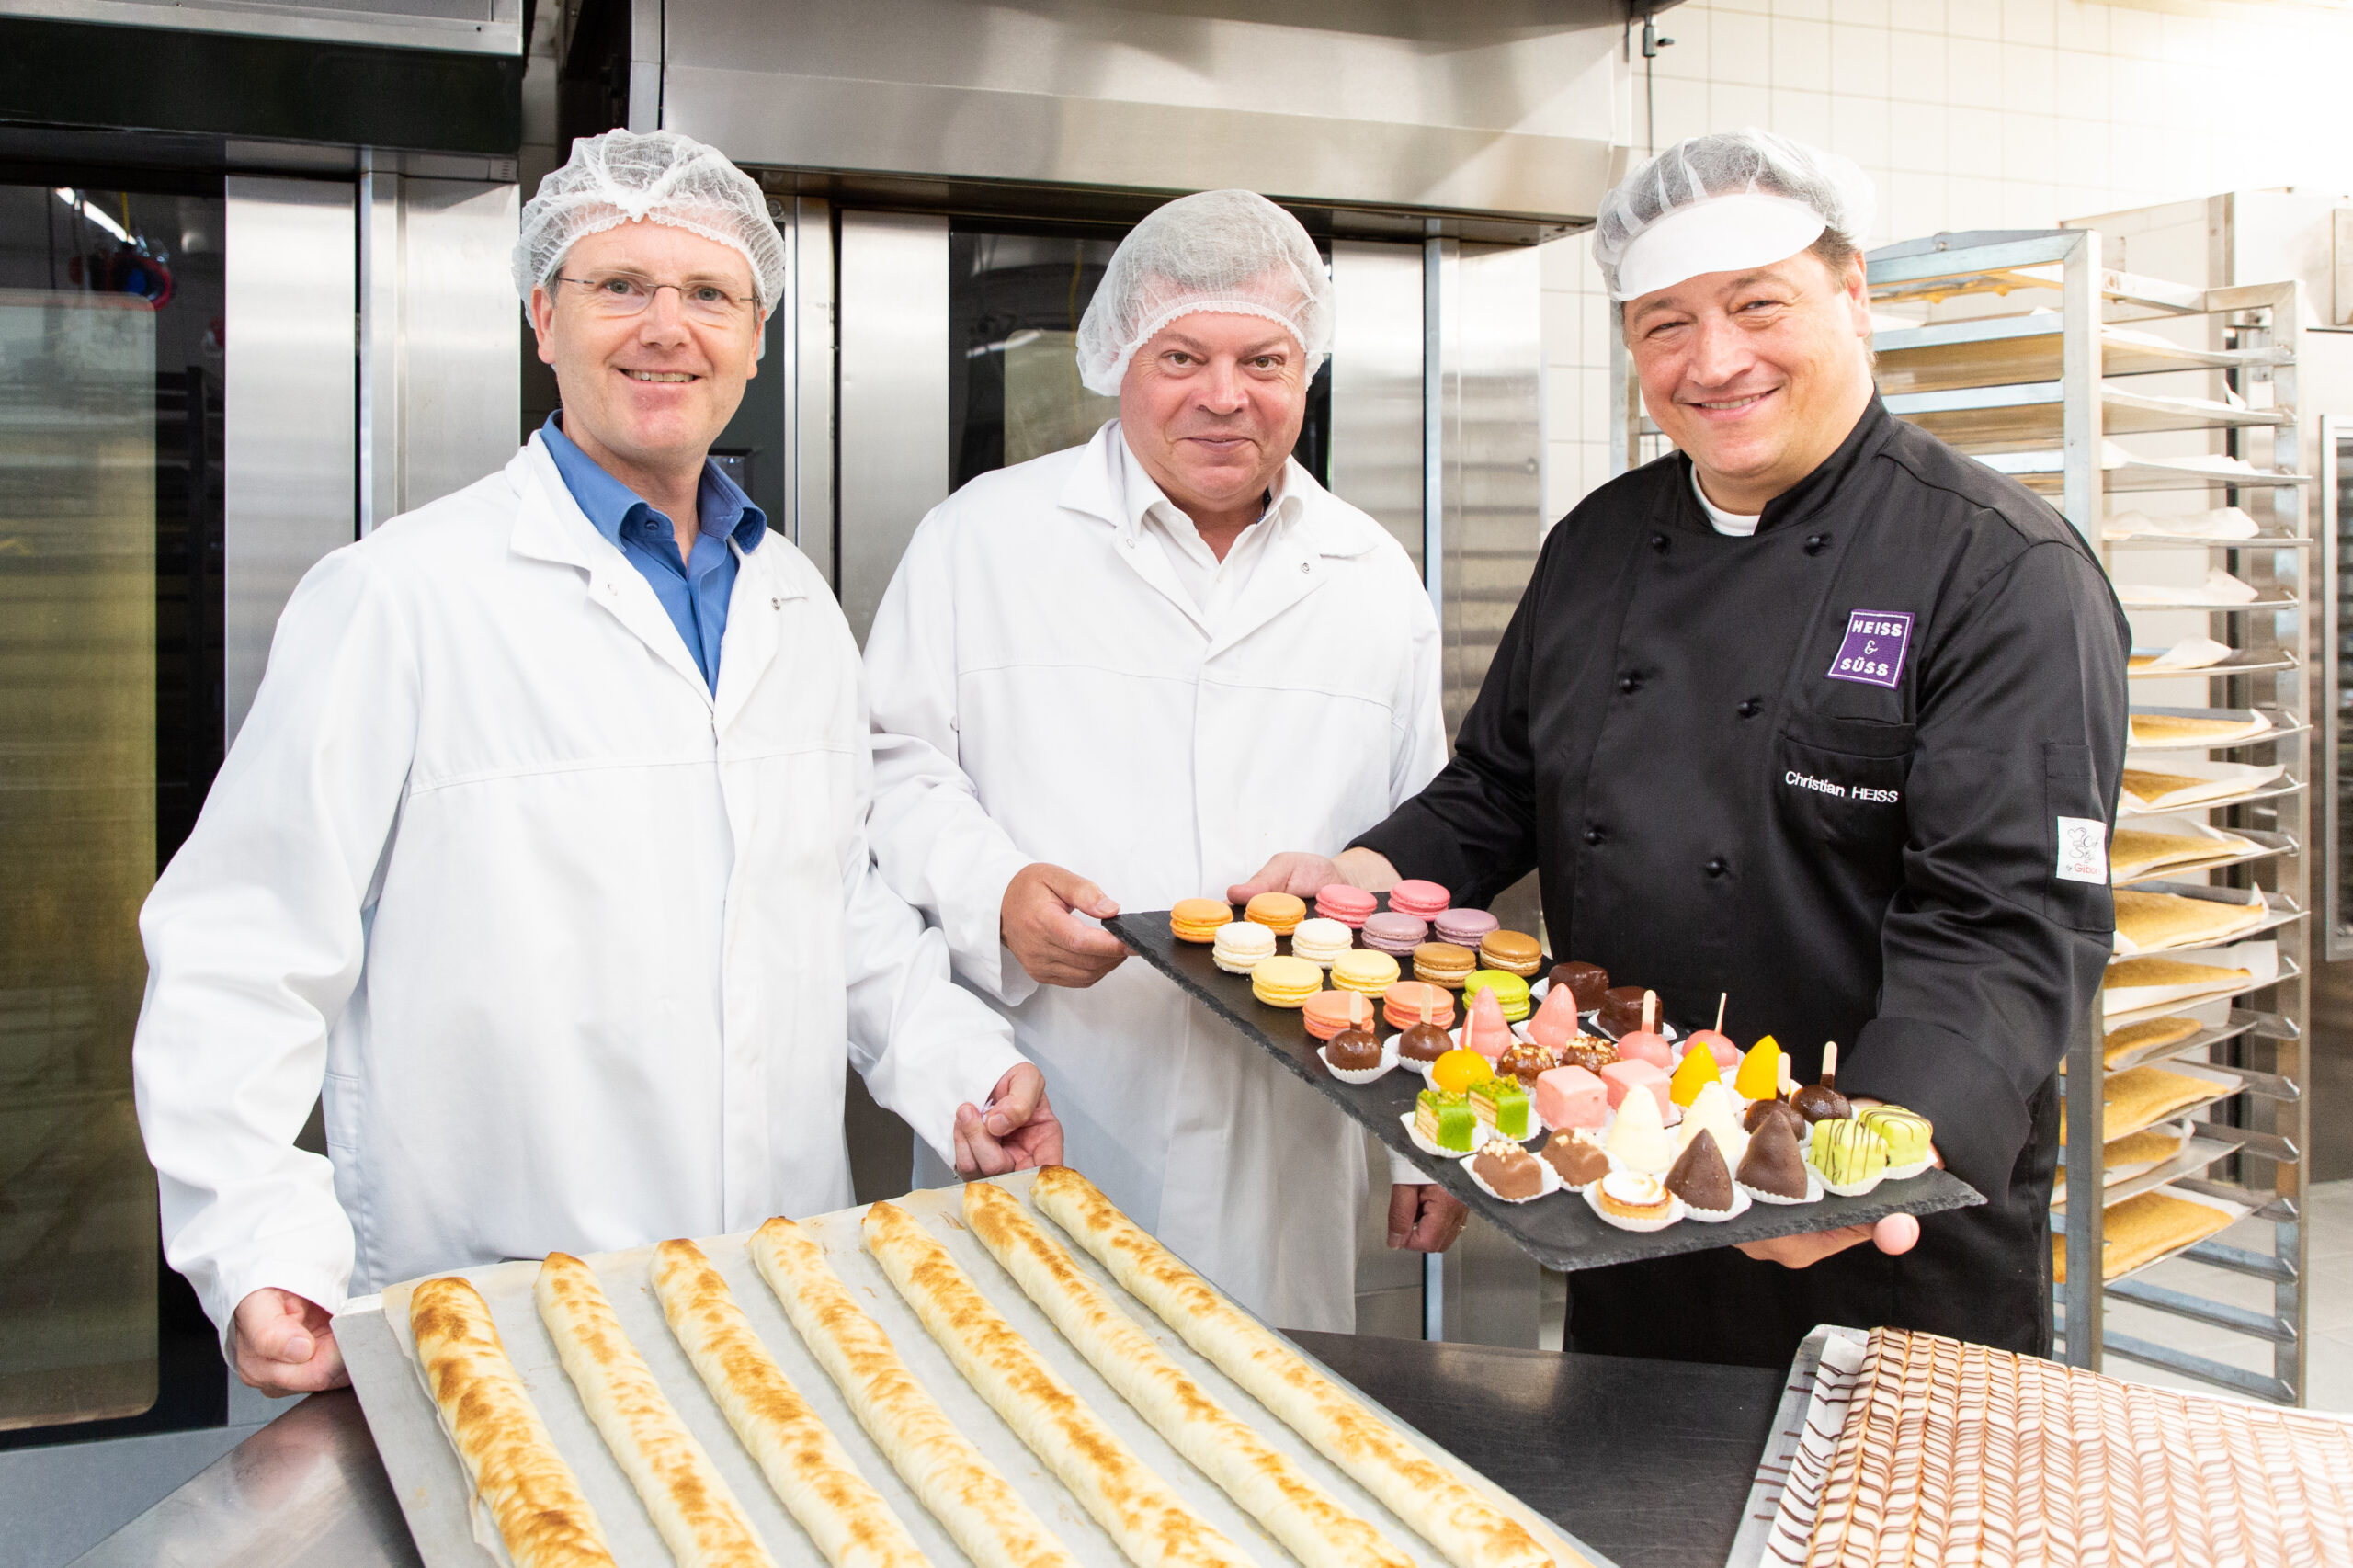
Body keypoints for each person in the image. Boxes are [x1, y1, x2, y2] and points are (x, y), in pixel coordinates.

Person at [132, 129, 1059, 1397]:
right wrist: (255, 1241)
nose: (665, 326)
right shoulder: (401, 596)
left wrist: (964, 1070)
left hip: (780, 1294)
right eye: (619, 285)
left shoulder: (793, 603)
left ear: (756, 337)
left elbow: (834, 905)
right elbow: (243, 946)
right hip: (501, 1304)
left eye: (710, 295)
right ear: (541, 318)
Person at [1237, 131, 2128, 1367]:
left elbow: (2008, 916)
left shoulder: (1999, 571)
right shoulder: (1596, 546)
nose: (1714, 362)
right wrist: (1369, 872)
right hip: (1631, 1197)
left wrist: (1873, 1148)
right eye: (1664, 324)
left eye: (1758, 305)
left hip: (1882, 1227)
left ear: (1853, 295)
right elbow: (1500, 784)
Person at [860, 189, 1466, 1333]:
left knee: (1259, 1456)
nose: (1223, 394)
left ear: (1307, 371)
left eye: (1264, 358)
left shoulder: (1369, 575)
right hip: (1047, 1083)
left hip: (1283, 1127)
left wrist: (1423, 1128)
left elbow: (1417, 865)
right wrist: (995, 893)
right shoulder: (984, 539)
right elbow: (891, 771)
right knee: (1013, 1441)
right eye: (1181, 354)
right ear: (1116, 360)